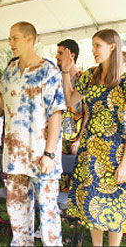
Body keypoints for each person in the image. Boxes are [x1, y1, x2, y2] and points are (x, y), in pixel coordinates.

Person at [0, 21, 65, 246]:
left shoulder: (49, 70)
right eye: (10, 38)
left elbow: (56, 113)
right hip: (15, 157)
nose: (10, 43)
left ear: (30, 39)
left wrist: (50, 154)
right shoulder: (10, 70)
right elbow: (3, 104)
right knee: (17, 214)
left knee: (48, 216)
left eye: (15, 38)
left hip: (42, 157)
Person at [61, 29, 126, 246]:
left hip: (116, 152)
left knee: (115, 205)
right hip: (90, 152)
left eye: (97, 45)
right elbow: (70, 101)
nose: (93, 50)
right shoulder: (90, 75)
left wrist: (125, 163)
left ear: (112, 46)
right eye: (93, 45)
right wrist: (66, 72)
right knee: (92, 204)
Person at [55, 39, 87, 192]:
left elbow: (88, 112)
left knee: (76, 179)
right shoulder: (55, 78)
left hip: (75, 138)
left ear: (71, 55)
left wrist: (80, 138)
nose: (57, 57)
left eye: (60, 53)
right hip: (58, 137)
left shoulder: (83, 78)